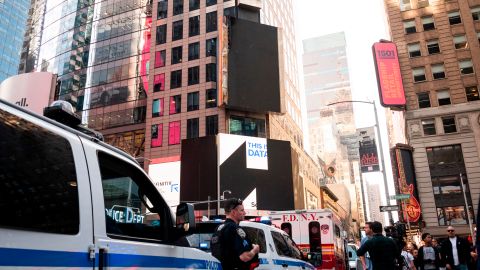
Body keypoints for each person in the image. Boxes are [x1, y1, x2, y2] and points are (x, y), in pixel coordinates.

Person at [215, 198, 260, 270]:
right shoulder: (235, 229)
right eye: (242, 210)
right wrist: (255, 249)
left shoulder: (218, 228)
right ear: (233, 212)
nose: (244, 213)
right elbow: (245, 257)